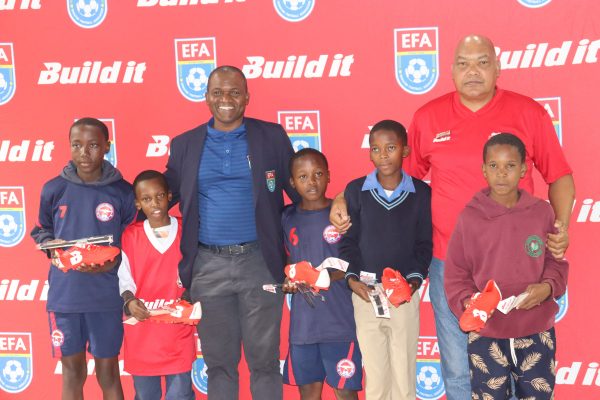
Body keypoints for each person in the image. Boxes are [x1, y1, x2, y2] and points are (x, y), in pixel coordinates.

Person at [330, 35, 574, 399]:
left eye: (482, 62)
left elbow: (560, 176)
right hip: (451, 263)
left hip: (519, 263)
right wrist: (342, 196)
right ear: (451, 70)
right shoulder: (428, 117)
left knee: (520, 371)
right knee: (460, 370)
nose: (472, 71)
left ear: (498, 68)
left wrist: (561, 225)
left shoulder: (529, 113)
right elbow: (396, 176)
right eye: (463, 63)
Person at [164, 65, 300, 400]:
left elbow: (299, 192)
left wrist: (338, 208)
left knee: (264, 363)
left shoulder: (271, 137)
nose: (226, 99)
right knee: (219, 366)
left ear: (247, 97)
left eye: (234, 92)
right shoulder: (184, 145)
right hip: (207, 267)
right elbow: (161, 196)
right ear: (206, 97)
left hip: (260, 262)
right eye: (218, 92)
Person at [444, 133, 568, 399]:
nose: (501, 173)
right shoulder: (470, 217)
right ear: (484, 170)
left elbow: (555, 261)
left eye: (510, 166)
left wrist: (547, 288)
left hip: (536, 330)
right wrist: (469, 302)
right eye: (494, 166)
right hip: (487, 332)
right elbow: (456, 273)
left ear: (523, 170)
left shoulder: (541, 212)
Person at [31, 118, 136, 400]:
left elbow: (133, 240)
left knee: (108, 373)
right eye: (77, 145)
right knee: (72, 373)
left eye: (93, 146)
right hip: (66, 297)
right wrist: (50, 247)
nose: (84, 153)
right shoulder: (53, 189)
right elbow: (42, 229)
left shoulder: (123, 192)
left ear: (107, 147)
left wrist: (114, 261)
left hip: (106, 296)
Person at [339, 120, 432, 400]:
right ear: (369, 152)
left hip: (403, 295)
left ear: (405, 150)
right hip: (366, 294)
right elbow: (348, 242)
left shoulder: (421, 193)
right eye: (376, 148)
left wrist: (413, 282)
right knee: (376, 374)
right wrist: (352, 280)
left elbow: (424, 244)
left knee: (403, 373)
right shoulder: (355, 191)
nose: (383, 155)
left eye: (391, 148)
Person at [281, 148, 363, 400]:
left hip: (340, 323)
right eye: (303, 176)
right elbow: (287, 261)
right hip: (304, 327)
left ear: (328, 176)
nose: (312, 182)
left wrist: (324, 276)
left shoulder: (342, 215)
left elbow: (356, 260)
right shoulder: (287, 217)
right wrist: (289, 279)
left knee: (346, 393)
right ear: (292, 182)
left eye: (318, 174)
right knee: (309, 394)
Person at [118, 170, 196, 400]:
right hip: (143, 334)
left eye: (160, 196)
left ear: (169, 196)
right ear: (137, 203)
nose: (155, 203)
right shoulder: (130, 236)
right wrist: (130, 301)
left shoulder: (186, 231)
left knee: (180, 395)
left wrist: (191, 294)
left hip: (177, 331)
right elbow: (124, 278)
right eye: (147, 198)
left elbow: (199, 272)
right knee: (145, 395)